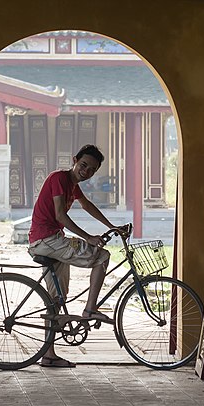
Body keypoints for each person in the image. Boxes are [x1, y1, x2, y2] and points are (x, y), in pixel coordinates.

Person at [28, 144, 124, 368]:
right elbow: (60, 215)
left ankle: (48, 355)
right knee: (102, 256)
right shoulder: (60, 178)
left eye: (92, 169)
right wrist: (89, 237)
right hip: (47, 239)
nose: (86, 171)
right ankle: (90, 309)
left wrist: (112, 226)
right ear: (74, 160)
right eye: (83, 165)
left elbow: (87, 205)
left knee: (55, 300)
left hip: (49, 241)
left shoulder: (73, 185)